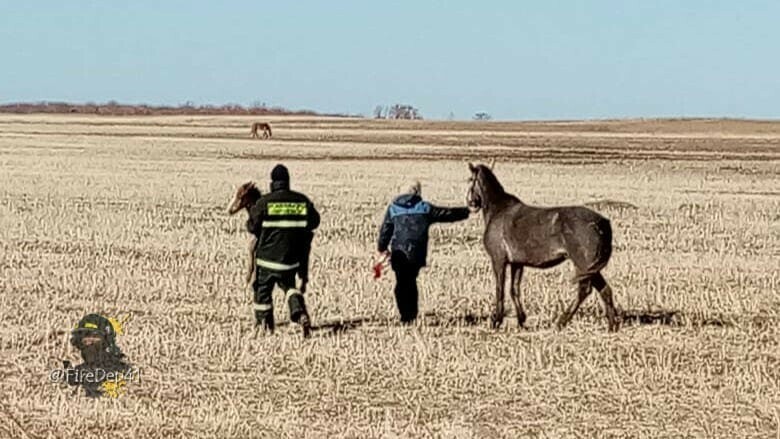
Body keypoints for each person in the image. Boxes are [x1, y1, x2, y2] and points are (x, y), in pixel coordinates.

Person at [377, 181, 470, 324]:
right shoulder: (425, 208)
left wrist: (382, 249)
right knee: (410, 282)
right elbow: (447, 214)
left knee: (402, 283)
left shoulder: (393, 209)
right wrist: (467, 210)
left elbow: (385, 231)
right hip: (417, 253)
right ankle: (410, 315)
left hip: (399, 252)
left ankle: (406, 316)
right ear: (417, 192)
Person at [247, 164, 320, 337]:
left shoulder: (264, 202)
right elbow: (315, 221)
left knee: (262, 291)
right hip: (290, 260)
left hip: (267, 260)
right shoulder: (302, 201)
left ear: (272, 182)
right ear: (287, 181)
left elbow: (252, 226)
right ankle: (299, 313)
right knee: (290, 287)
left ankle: (264, 325)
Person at [64, 313, 132, 398]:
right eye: (85, 336)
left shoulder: (122, 371)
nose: (88, 341)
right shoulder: (76, 373)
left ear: (106, 340)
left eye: (94, 336)